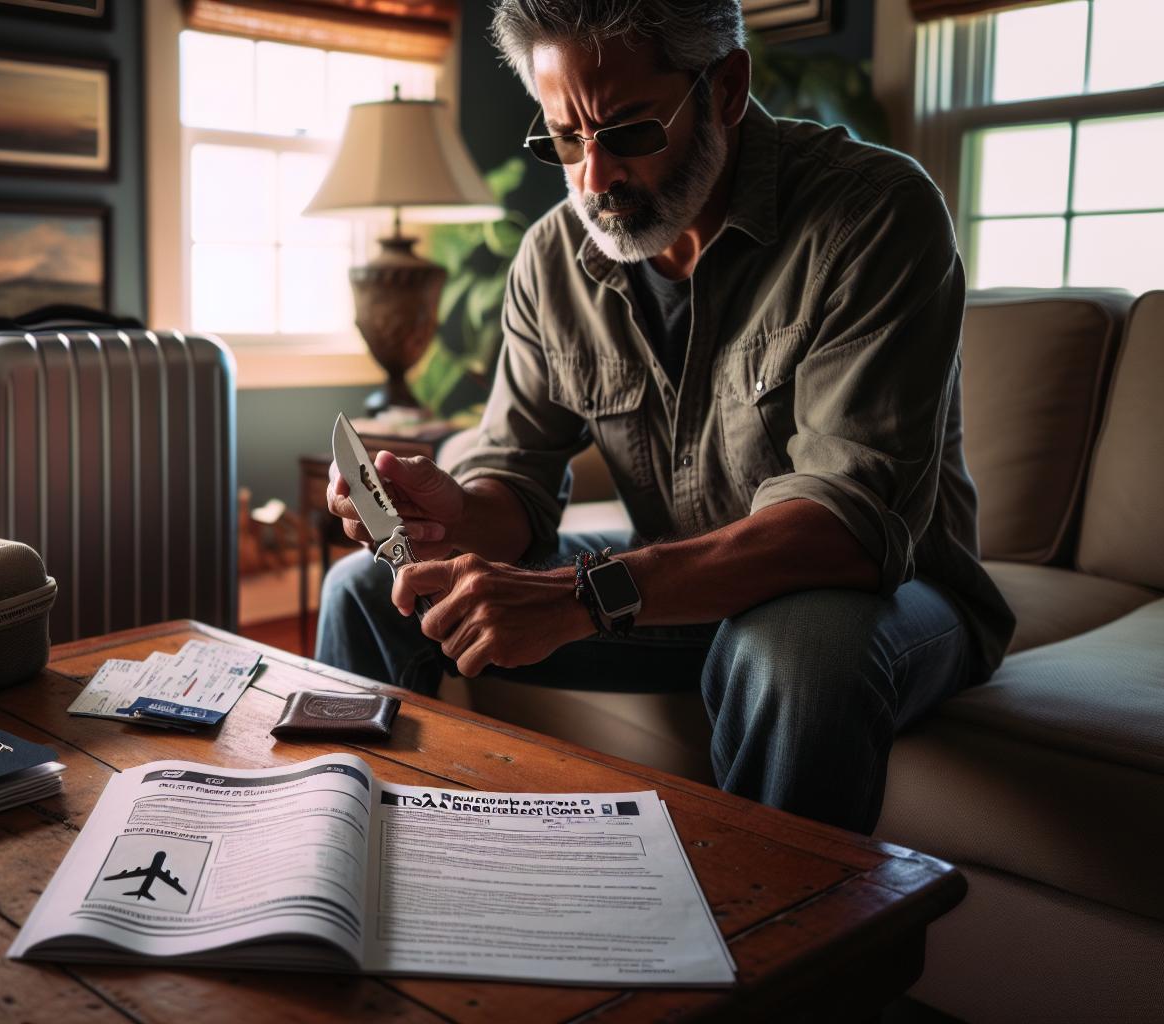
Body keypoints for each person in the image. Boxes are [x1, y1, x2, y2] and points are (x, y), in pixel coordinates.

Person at [316, 0, 1014, 834]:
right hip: (670, 588)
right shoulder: (553, 258)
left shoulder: (872, 213)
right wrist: (452, 516)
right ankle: (348, 863)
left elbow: (846, 529)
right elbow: (517, 485)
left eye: (629, 131)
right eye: (565, 138)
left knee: (794, 648)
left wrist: (585, 596)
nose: (594, 177)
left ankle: (781, 918)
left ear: (727, 87)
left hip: (883, 591)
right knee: (368, 590)